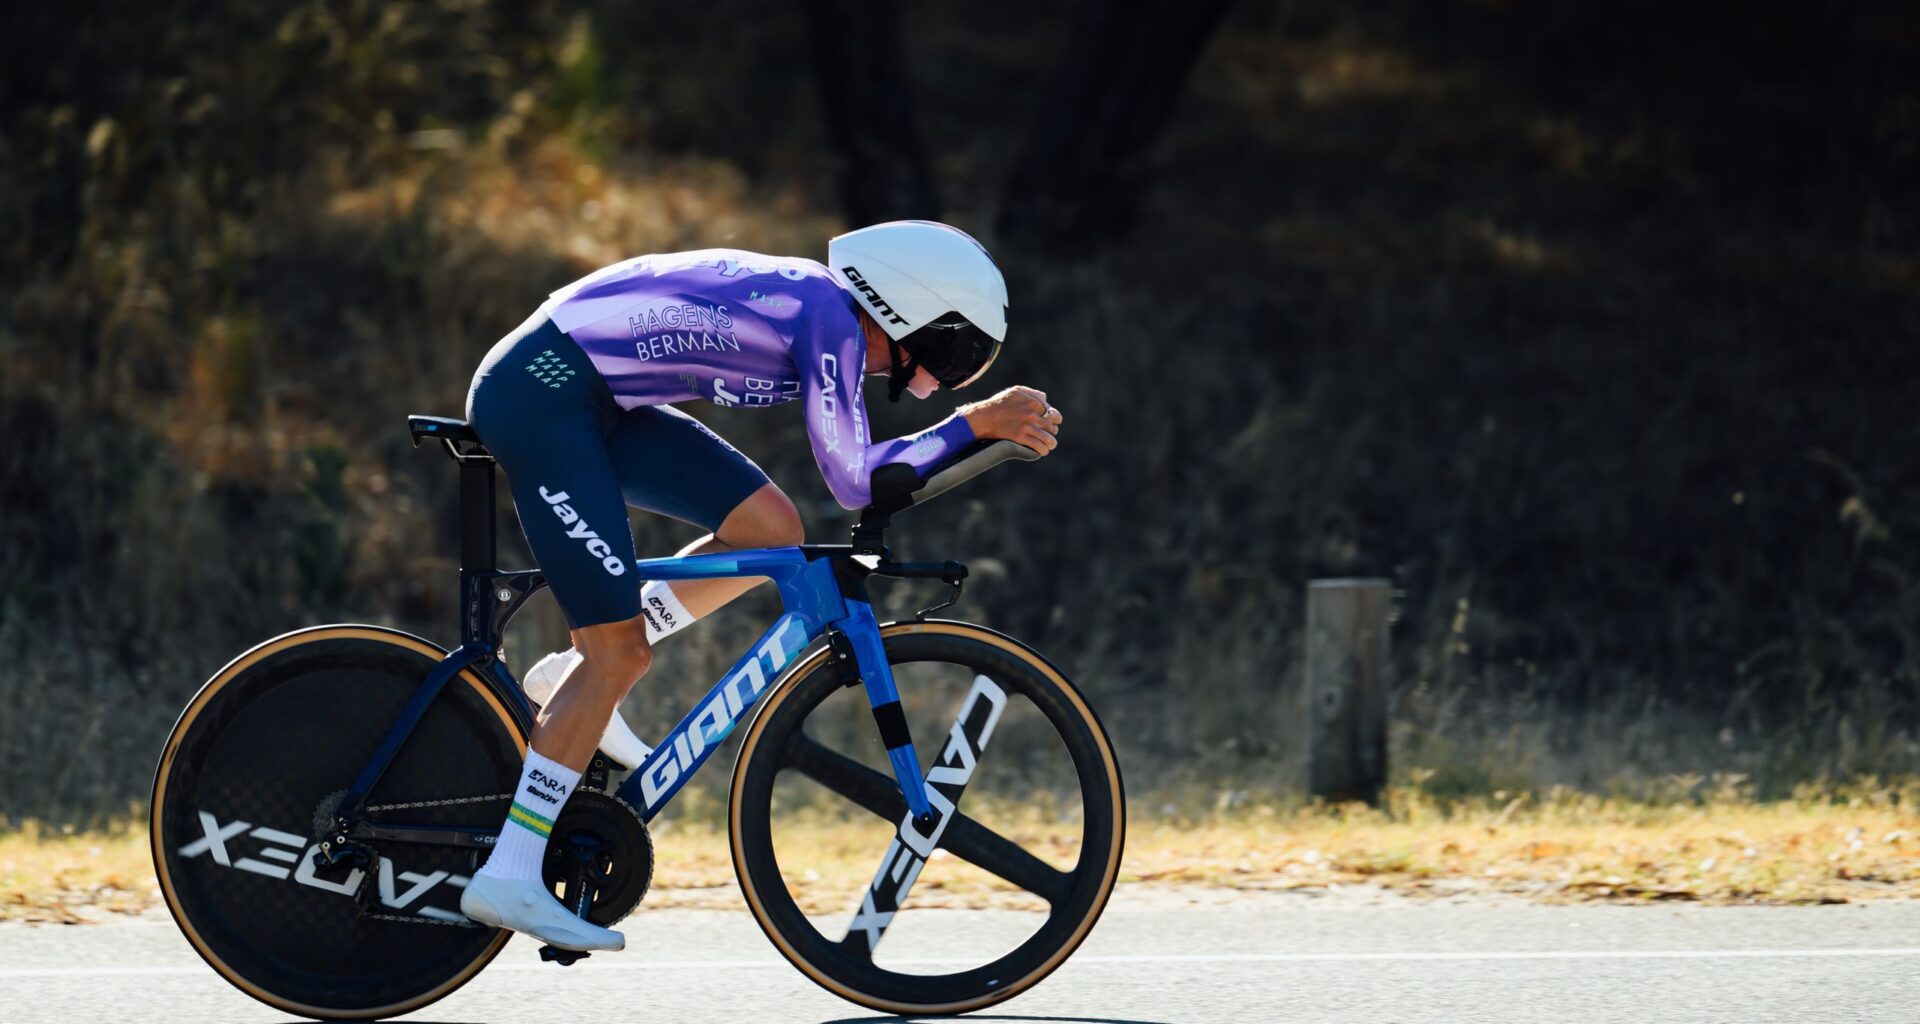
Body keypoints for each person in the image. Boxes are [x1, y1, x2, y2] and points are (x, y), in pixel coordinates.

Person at [457, 220, 1063, 951]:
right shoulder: (829, 319)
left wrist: (970, 428)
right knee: (615, 657)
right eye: (952, 352)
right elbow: (855, 480)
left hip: (592, 395)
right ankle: (511, 870)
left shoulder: (822, 307)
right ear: (904, 310)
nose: (940, 379)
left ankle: (564, 677)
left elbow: (847, 478)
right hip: (544, 392)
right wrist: (972, 424)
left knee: (768, 528)